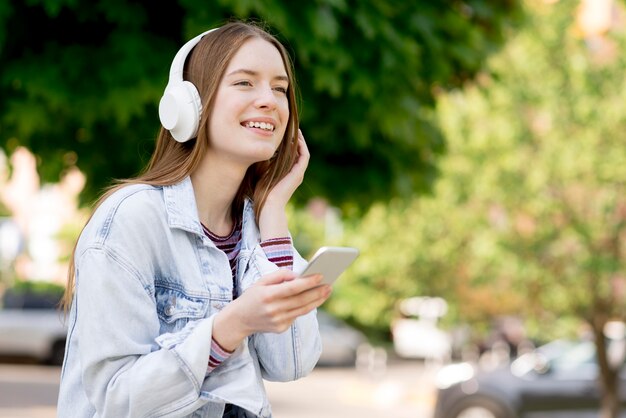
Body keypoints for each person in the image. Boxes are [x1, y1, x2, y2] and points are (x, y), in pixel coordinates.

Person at [57, 21, 332, 418]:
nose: (269, 100)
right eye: (244, 83)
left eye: (279, 88)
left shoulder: (257, 226)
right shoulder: (132, 219)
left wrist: (274, 216)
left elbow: (291, 364)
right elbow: (116, 398)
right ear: (189, 103)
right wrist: (228, 328)